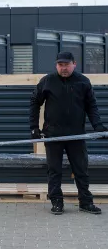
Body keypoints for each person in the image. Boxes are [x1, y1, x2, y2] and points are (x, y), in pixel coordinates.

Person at [30, 51, 106, 215]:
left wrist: (98, 126)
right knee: (54, 170)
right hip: (53, 134)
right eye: (60, 65)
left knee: (81, 169)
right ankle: (57, 202)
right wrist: (34, 127)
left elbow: (91, 106)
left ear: (74, 64)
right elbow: (35, 103)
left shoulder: (83, 82)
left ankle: (85, 202)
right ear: (56, 65)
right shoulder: (47, 81)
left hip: (76, 135)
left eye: (67, 65)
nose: (63, 68)